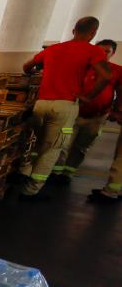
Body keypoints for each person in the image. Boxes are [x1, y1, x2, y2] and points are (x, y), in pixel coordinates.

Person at [19, 17, 112, 200]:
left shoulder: (53, 49)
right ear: (93, 33)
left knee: (38, 142)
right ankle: (31, 190)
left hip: (41, 104)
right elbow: (106, 76)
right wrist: (88, 97)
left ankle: (25, 172)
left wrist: (34, 74)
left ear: (73, 30)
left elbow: (27, 67)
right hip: (64, 106)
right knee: (52, 148)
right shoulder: (93, 51)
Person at [51, 39, 122, 184]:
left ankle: (68, 172)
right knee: (64, 142)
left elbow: (120, 92)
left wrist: (117, 110)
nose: (102, 54)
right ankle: (55, 172)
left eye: (107, 51)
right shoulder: (83, 67)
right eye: (99, 50)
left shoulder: (117, 71)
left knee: (82, 146)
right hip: (74, 114)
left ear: (113, 53)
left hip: (97, 117)